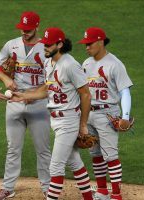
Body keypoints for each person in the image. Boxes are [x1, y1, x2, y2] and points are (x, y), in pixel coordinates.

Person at [11, 27, 94, 200]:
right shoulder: (49, 62)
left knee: (55, 167)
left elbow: (85, 94)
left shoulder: (70, 65)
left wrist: (83, 125)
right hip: (56, 120)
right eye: (44, 44)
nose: (45, 48)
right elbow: (48, 88)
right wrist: (25, 95)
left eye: (48, 45)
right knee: (74, 162)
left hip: (69, 120)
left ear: (60, 44)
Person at [0, 11, 52, 200]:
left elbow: (51, 79)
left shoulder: (45, 49)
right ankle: (7, 187)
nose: (25, 32)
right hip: (15, 102)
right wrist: (5, 79)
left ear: (37, 27)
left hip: (39, 104)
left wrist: (33, 95)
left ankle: (48, 187)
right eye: (22, 29)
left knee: (42, 148)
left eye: (28, 29)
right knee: (13, 147)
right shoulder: (12, 45)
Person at [79, 27, 133, 200]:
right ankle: (102, 191)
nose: (86, 47)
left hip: (108, 114)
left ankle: (116, 195)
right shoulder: (86, 64)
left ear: (101, 42)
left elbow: (125, 91)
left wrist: (125, 117)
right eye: (85, 44)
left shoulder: (114, 64)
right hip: (89, 113)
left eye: (90, 44)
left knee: (110, 155)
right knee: (95, 153)